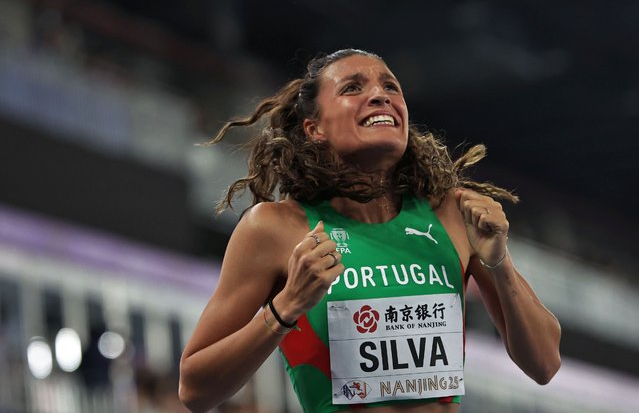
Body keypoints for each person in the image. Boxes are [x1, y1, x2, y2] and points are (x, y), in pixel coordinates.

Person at [178, 49, 561, 413]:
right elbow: (194, 391)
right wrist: (286, 307)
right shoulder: (277, 228)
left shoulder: (451, 214)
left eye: (390, 87)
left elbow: (544, 364)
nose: (380, 96)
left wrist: (499, 262)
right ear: (314, 128)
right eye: (352, 88)